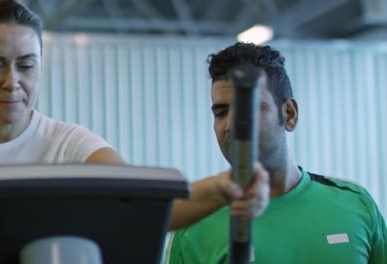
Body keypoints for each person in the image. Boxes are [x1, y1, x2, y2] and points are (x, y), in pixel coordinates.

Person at [0, 1, 271, 263]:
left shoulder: (71, 146)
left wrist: (223, 187)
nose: (12, 83)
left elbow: (141, 209)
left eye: (26, 65)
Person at [166, 42, 387, 263]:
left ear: (289, 114)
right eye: (221, 112)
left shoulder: (355, 205)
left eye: (248, 107)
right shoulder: (193, 227)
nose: (231, 124)